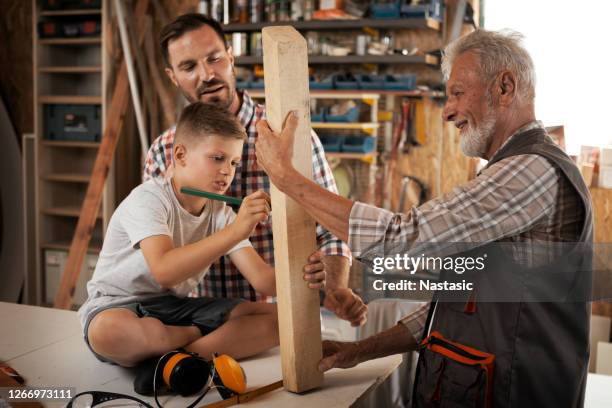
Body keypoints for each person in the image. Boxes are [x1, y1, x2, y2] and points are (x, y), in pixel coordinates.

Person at [255, 29, 593, 407]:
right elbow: (454, 306)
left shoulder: (531, 171)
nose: (447, 110)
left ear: (505, 87)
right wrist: (361, 351)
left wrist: (286, 178)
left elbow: (401, 241)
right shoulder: (511, 172)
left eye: (457, 93)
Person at [143, 13, 366, 325]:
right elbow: (160, 255)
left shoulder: (287, 137)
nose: (207, 74)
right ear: (173, 77)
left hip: (280, 325)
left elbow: (331, 229)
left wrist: (335, 285)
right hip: (195, 321)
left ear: (231, 58)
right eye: (189, 67)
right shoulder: (164, 151)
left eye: (214, 58)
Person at [78, 103, 327, 371]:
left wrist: (307, 274)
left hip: (174, 308)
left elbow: (263, 281)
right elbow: (164, 271)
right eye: (218, 158)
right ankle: (190, 343)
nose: (227, 171)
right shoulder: (148, 199)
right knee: (109, 333)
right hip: (117, 306)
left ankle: (174, 362)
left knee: (289, 319)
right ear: (181, 155)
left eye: (233, 162)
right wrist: (235, 232)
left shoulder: (221, 213)